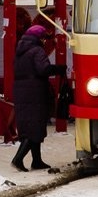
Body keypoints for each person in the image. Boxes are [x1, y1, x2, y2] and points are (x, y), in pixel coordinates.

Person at [11, 24, 67, 172]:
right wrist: (58, 69)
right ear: (39, 38)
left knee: (30, 126)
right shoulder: (37, 50)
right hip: (35, 91)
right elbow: (44, 69)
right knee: (34, 126)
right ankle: (18, 159)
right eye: (43, 38)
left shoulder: (19, 50)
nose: (44, 41)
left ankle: (37, 160)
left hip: (21, 91)